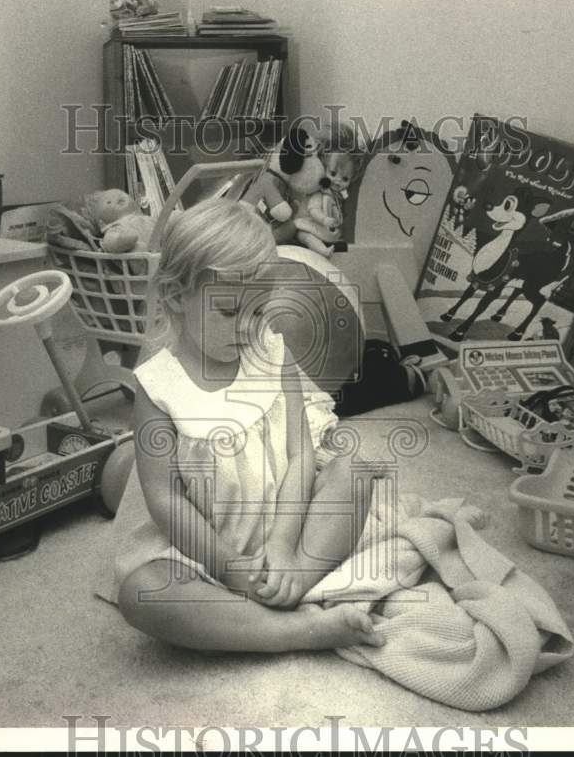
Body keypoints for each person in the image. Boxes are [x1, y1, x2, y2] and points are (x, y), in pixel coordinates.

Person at [114, 198, 385, 652]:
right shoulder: (158, 386)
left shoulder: (272, 354)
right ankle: (295, 631)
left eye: (258, 312)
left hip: (290, 527)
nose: (246, 328)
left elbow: (302, 456)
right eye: (228, 311)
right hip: (203, 549)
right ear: (177, 296)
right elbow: (165, 499)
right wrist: (228, 567)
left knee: (354, 470)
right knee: (142, 592)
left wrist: (282, 547)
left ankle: (292, 582)